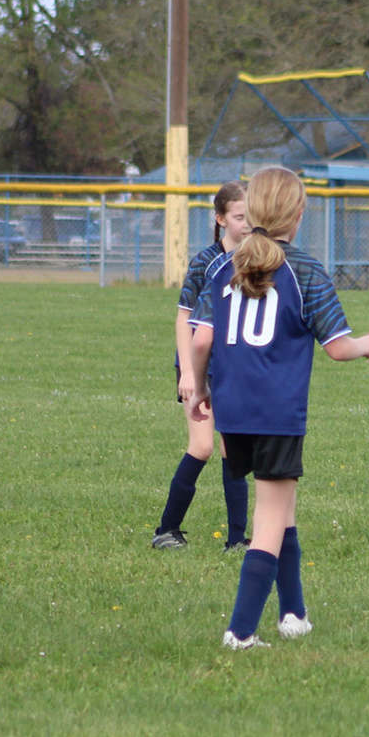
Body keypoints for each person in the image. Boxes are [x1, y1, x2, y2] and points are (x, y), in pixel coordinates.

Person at [187, 167, 369, 649]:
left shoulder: (225, 266)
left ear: (252, 211)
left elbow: (202, 339)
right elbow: (337, 347)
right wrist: (367, 343)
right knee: (270, 519)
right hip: (276, 411)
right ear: (298, 214)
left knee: (282, 508)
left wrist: (201, 385)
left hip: (234, 410)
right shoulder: (305, 269)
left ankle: (293, 613)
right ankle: (240, 631)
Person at [152, 182, 253, 550]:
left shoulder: (257, 259)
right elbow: (184, 318)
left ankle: (236, 540)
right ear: (221, 219)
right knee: (202, 447)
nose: (246, 223)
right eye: (239, 217)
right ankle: (166, 530)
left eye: (251, 216)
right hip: (199, 364)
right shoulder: (207, 261)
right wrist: (188, 373)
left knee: (233, 450)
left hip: (232, 366)